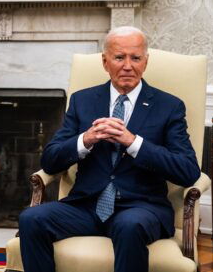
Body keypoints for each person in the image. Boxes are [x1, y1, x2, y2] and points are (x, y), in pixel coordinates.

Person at [18, 26, 200, 272]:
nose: (127, 65)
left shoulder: (169, 106)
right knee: (31, 219)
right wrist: (86, 139)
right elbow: (50, 160)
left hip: (141, 207)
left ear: (145, 62)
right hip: (86, 206)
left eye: (135, 58)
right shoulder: (83, 100)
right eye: (119, 57)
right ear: (105, 62)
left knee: (129, 224)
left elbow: (188, 171)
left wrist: (133, 142)